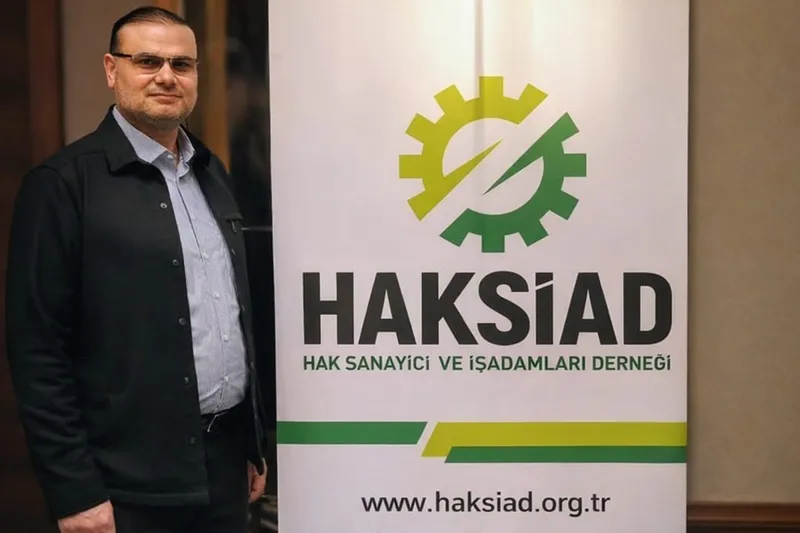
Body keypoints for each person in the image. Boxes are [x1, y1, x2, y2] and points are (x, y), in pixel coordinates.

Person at [4, 6, 268, 533]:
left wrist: (250, 443)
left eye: (182, 64)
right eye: (148, 61)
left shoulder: (212, 174)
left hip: (223, 471)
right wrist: (74, 490)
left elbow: (234, 316)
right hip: (124, 487)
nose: (167, 76)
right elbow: (37, 351)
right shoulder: (62, 185)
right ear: (111, 69)